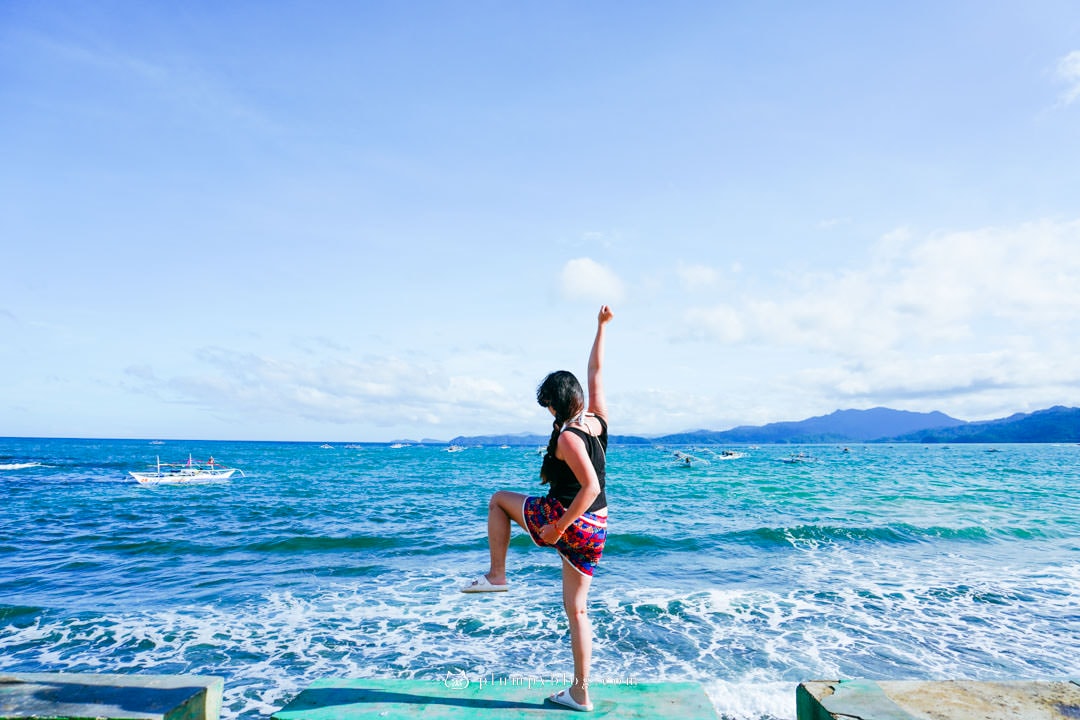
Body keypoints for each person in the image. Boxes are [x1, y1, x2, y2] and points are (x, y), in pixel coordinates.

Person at [461, 304, 614, 713]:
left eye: (546, 404)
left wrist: (558, 529)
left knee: (497, 500)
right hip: (597, 528)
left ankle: (496, 575)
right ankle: (580, 693)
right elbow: (596, 371)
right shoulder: (596, 421)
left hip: (570, 520)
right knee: (577, 610)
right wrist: (601, 328)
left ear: (554, 405)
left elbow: (590, 485)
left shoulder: (566, 437)